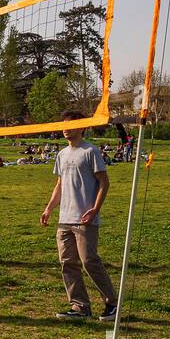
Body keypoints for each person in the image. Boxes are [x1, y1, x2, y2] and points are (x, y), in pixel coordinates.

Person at [43, 110, 118, 321]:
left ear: (82, 127)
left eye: (71, 124)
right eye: (64, 125)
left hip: (85, 218)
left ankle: (112, 303)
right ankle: (80, 306)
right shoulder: (61, 154)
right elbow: (59, 185)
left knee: (89, 261)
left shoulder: (90, 151)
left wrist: (95, 209)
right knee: (68, 263)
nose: (66, 128)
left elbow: (104, 182)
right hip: (64, 219)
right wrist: (49, 209)